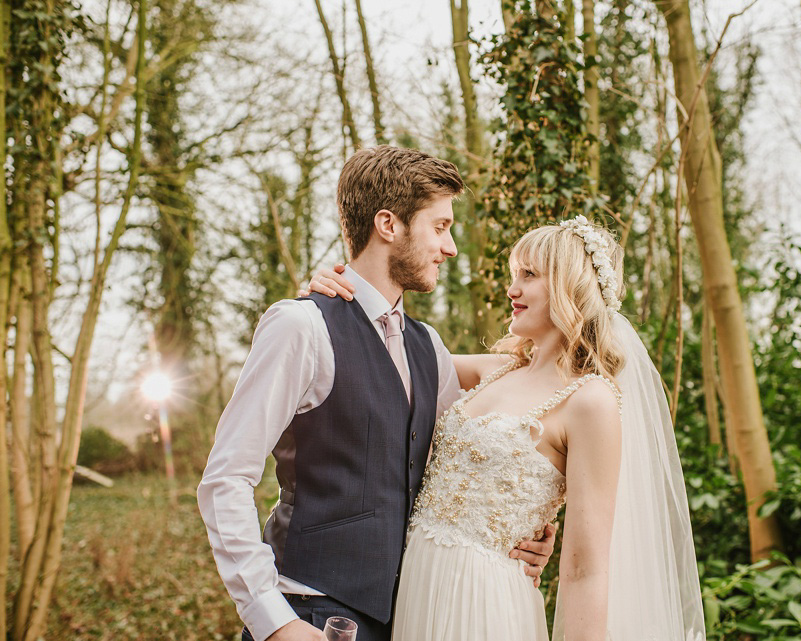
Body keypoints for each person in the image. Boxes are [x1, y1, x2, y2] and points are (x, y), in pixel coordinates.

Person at [197, 145, 554, 641]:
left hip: (408, 619)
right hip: (308, 613)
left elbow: (464, 466)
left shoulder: (428, 347)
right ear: (389, 225)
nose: (450, 249)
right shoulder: (301, 326)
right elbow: (225, 479)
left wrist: (525, 528)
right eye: (441, 227)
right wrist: (273, 621)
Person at [308, 215, 706, 640]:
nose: (512, 289)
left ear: (571, 287)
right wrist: (332, 297)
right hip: (414, 587)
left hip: (485, 604)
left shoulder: (592, 401)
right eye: (514, 274)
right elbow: (382, 349)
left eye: (529, 275)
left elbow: (585, 568)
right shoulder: (494, 371)